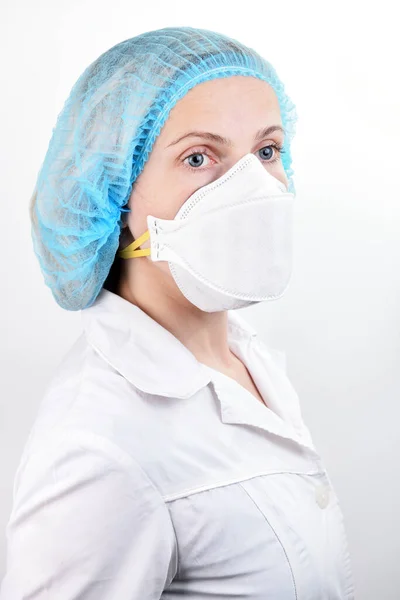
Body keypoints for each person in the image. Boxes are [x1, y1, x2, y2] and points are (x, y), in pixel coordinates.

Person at [0, 26, 355, 598]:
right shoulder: (97, 446)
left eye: (267, 151)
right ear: (113, 192)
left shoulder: (243, 358)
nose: (254, 187)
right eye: (198, 157)